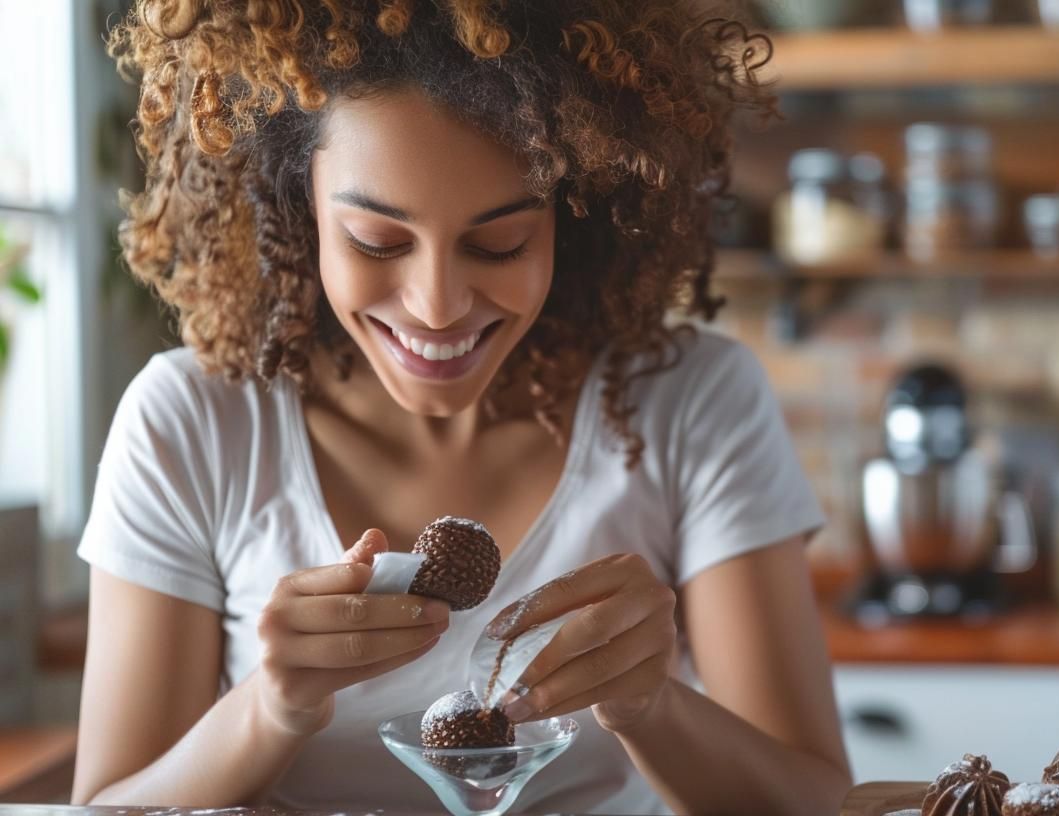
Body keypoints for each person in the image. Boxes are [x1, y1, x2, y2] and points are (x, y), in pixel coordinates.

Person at [71, 2, 851, 814]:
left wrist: (653, 706)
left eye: (500, 243)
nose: (437, 307)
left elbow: (820, 799)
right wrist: (269, 709)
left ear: (572, 211)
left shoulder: (692, 402)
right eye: (378, 241)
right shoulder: (193, 421)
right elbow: (105, 805)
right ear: (299, 207)